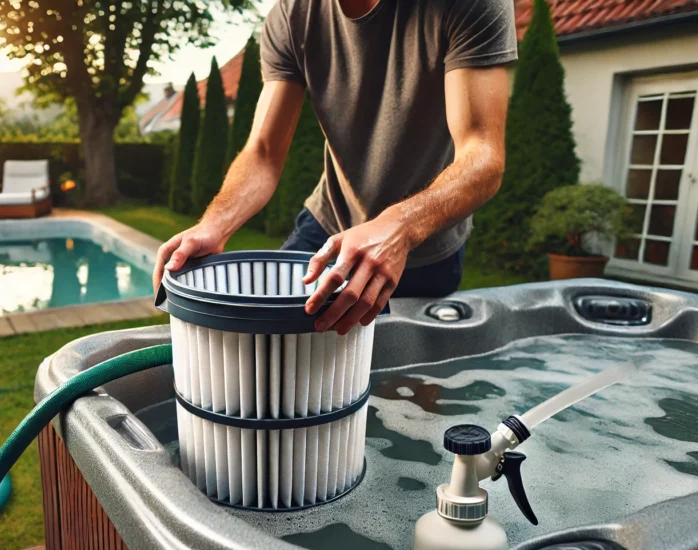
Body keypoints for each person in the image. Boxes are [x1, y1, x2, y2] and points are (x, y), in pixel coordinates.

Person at [153, 0, 517, 335]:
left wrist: (398, 228)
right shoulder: (292, 15)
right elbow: (264, 152)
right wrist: (214, 224)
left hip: (424, 243)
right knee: (267, 347)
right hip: (329, 224)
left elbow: (483, 156)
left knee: (407, 382)